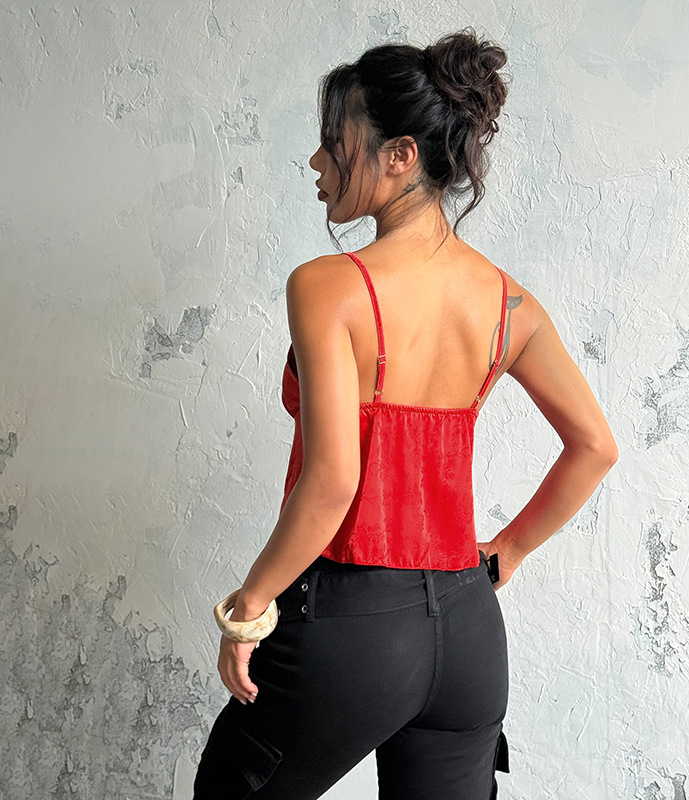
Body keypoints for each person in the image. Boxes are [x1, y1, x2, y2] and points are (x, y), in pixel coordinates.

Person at [193, 27, 618, 800]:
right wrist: (510, 550)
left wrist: (248, 608)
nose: (317, 162)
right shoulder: (510, 305)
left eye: (334, 142)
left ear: (400, 155)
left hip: (350, 627)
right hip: (470, 637)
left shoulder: (327, 286)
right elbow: (594, 445)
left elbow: (332, 482)